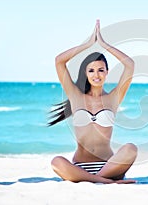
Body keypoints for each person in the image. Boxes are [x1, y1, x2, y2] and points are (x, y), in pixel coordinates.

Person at [48, 20, 137, 184]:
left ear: (107, 72)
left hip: (110, 167)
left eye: (101, 70)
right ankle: (103, 181)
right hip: (80, 168)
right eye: (91, 70)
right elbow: (59, 61)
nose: (96, 75)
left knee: (131, 148)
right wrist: (88, 44)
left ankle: (100, 179)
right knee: (56, 161)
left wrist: (104, 45)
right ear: (86, 73)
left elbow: (129, 65)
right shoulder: (76, 96)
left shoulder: (113, 98)